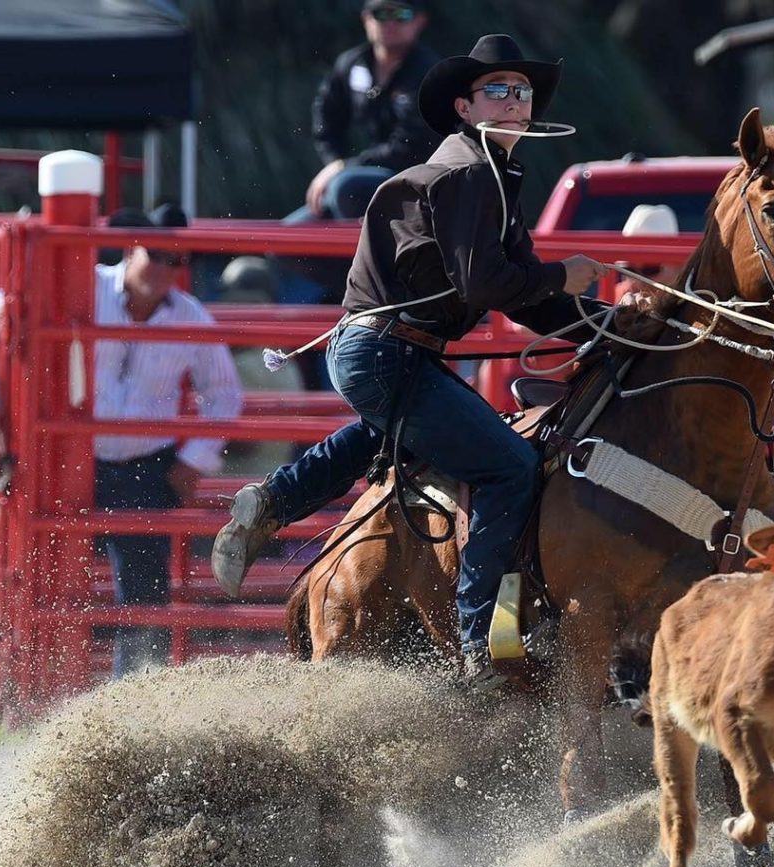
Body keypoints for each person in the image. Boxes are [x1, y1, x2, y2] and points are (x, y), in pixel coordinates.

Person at [213, 34, 608, 688]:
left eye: (522, 91)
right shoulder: (472, 175)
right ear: (464, 105)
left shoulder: (487, 175)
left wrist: (607, 324)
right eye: (497, 91)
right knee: (510, 466)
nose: (514, 100)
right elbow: (488, 286)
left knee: (400, 430)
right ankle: (484, 636)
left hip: (382, 350)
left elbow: (521, 292)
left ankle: (272, 501)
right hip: (390, 351)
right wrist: (564, 278)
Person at [97, 204, 243, 678]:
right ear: (130, 249)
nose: (162, 269)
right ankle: (33, 673)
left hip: (143, 463)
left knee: (143, 587)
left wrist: (193, 459)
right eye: (154, 255)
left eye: (173, 260)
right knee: (49, 569)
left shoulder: (191, 315)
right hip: (75, 455)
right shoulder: (88, 286)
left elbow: (225, 394)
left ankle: (132, 692)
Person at [285, 0, 439, 223]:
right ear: (366, 19)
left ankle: (368, 254)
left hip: (416, 188)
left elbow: (409, 148)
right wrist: (334, 162)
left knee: (347, 187)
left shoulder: (430, 73)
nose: (390, 23)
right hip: (362, 182)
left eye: (401, 15)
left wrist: (345, 167)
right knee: (283, 241)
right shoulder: (351, 64)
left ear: (420, 21)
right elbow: (326, 119)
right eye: (381, 14)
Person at [613, 203, 679, 303]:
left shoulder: (694, 306)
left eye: (650, 269)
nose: (638, 283)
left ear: (677, 268)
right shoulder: (612, 298)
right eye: (629, 270)